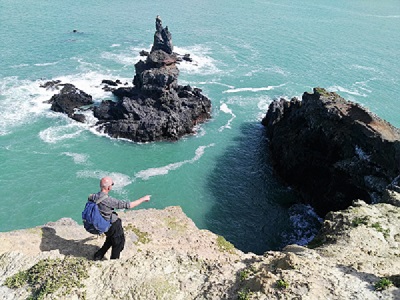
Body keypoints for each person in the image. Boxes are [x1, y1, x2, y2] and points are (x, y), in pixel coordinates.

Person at [92, 176, 151, 260]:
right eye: (112, 184)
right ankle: (114, 261)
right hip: (113, 226)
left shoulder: (94, 196)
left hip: (103, 224)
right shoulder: (108, 200)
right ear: (109, 187)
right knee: (118, 244)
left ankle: (98, 255)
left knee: (110, 239)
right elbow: (128, 205)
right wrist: (143, 199)